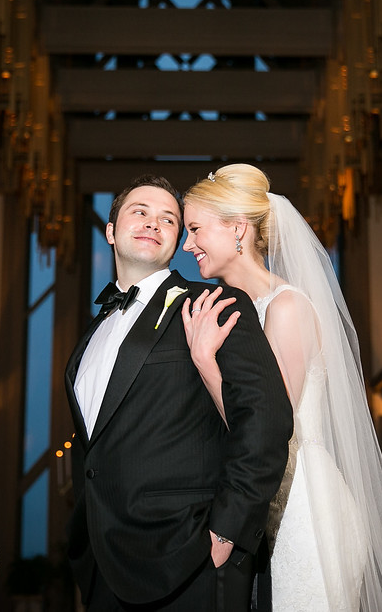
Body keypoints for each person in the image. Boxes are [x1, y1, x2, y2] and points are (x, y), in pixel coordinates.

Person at [180, 164, 382, 611]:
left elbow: (269, 423)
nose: (187, 243)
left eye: (195, 228)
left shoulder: (287, 306)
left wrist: (204, 362)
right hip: (266, 504)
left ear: (238, 229)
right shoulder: (238, 311)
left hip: (305, 510)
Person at [65, 174, 293, 611]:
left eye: (169, 219)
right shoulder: (90, 336)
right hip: (100, 567)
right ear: (111, 232)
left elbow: (265, 417)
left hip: (190, 559)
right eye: (140, 212)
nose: (153, 223)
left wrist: (228, 529)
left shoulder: (212, 303)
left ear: (176, 241)